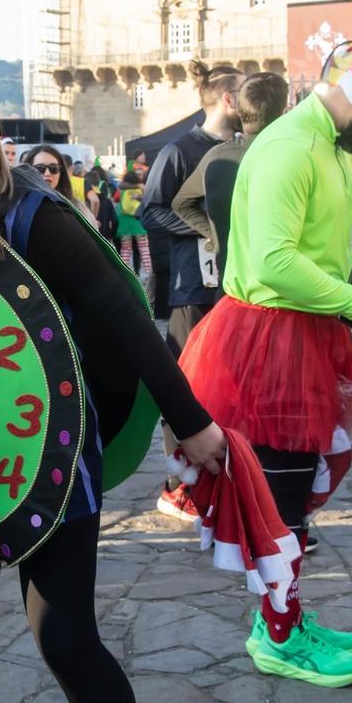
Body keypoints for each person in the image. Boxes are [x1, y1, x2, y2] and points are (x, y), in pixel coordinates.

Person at [0, 53, 226, 703]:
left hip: (49, 458)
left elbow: (128, 318)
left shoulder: (30, 215)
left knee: (64, 640)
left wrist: (191, 421)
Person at [180, 39, 352, 687]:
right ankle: (278, 638)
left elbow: (331, 255)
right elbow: (274, 265)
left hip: (304, 340)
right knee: (281, 503)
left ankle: (281, 618)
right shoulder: (293, 146)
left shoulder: (334, 147)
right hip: (268, 345)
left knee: (294, 502)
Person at [139, 60, 244, 520]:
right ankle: (178, 484)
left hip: (237, 286)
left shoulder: (246, 149)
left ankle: (224, 481)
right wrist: (205, 229)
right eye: (244, 93)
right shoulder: (180, 150)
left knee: (231, 387)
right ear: (227, 99)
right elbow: (150, 211)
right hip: (190, 287)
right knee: (184, 383)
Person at [173, 70, 289, 267]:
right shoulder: (292, 155)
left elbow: (181, 203)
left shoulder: (215, 156)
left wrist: (218, 235)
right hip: (283, 284)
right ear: (284, 111)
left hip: (231, 280)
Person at [115, 169, 151, 278]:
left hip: (125, 223)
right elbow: (148, 198)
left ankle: (124, 272)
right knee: (144, 248)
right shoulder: (141, 188)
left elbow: (116, 199)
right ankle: (148, 272)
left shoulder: (121, 189)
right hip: (138, 221)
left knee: (125, 249)